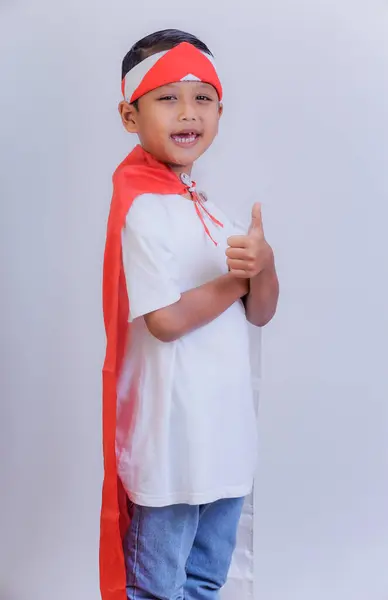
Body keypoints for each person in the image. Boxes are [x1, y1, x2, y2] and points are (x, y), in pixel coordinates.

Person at [100, 28, 279, 600]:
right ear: (131, 115)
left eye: (202, 98)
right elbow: (166, 321)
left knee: (205, 580)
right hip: (173, 443)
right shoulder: (143, 207)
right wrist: (238, 277)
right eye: (167, 96)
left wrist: (264, 265)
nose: (188, 112)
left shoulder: (203, 204)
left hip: (223, 435)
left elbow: (259, 312)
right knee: (159, 587)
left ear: (220, 111)